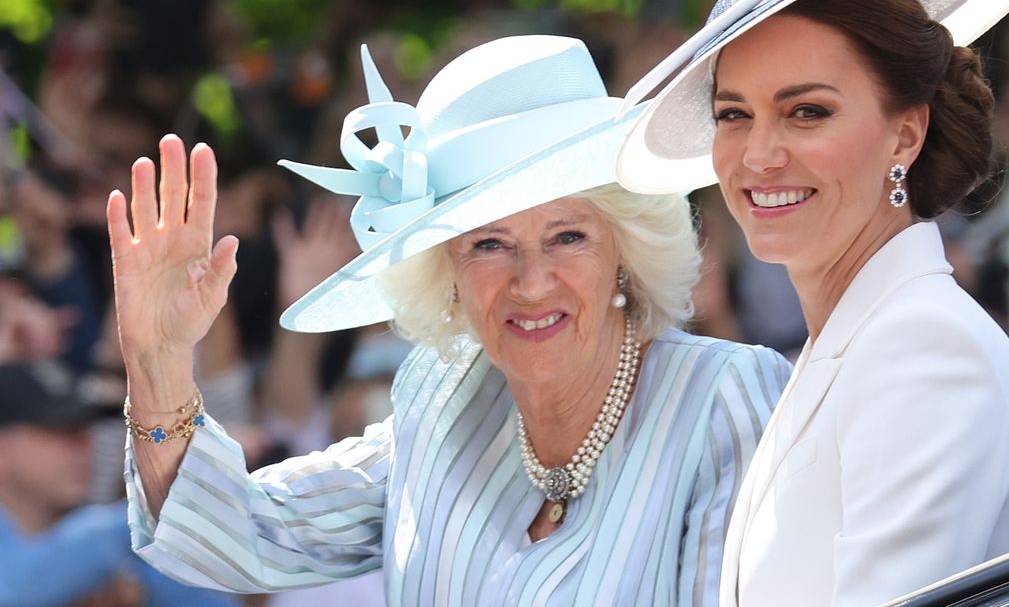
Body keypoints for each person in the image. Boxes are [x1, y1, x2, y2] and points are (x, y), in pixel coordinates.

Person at [110, 35, 789, 605]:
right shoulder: (442, 397)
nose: (530, 281)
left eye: (568, 237)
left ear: (625, 251)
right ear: (449, 274)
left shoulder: (722, 398)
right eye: (488, 244)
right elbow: (238, 534)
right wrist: (159, 357)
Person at [615, 0, 1009, 606]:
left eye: (807, 112)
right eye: (734, 115)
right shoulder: (852, 337)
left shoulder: (924, 345)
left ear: (904, 135)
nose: (759, 155)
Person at [0, 360, 233, 607]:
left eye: (86, 428)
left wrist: (143, 595)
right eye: (60, 430)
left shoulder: (121, 558)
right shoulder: (111, 539)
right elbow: (15, 587)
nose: (84, 445)